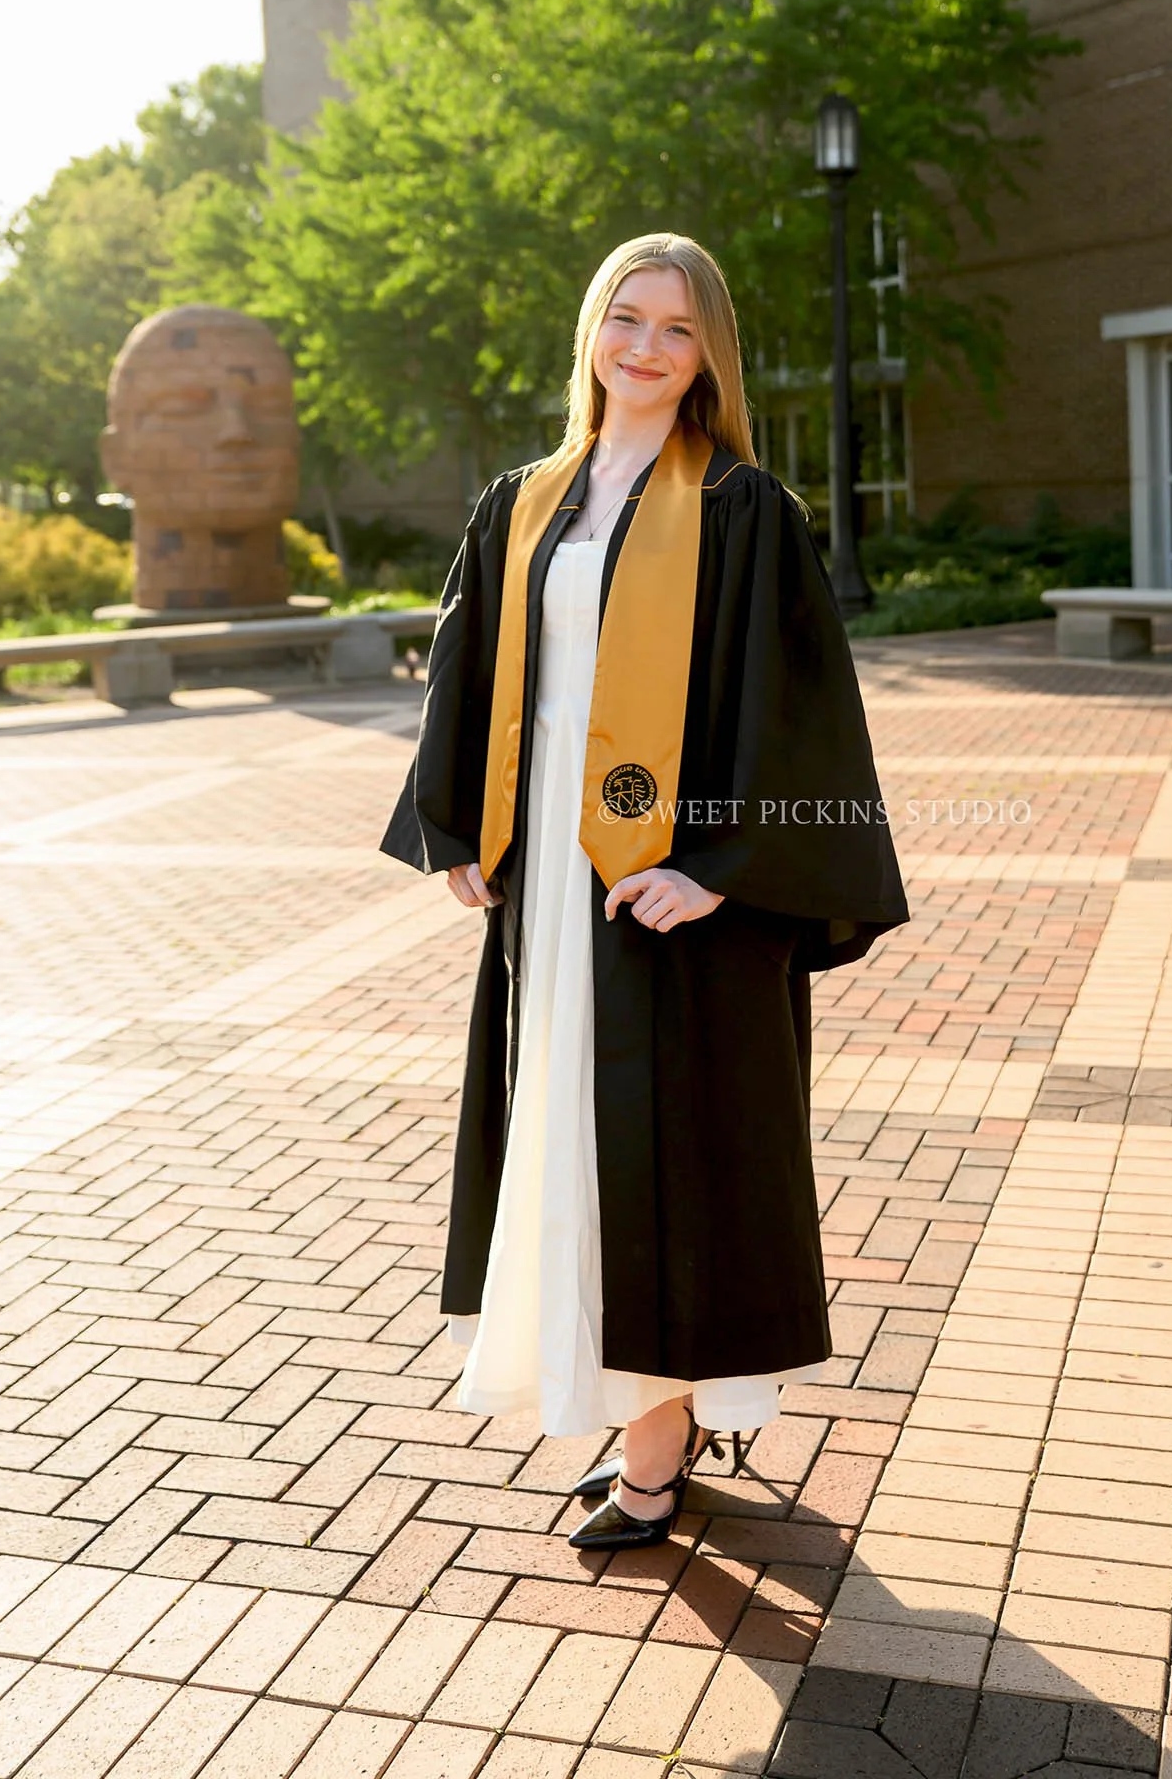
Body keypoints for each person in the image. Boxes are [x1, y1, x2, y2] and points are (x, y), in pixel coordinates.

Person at [380, 233, 908, 1550]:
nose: (648, 348)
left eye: (678, 328)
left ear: (709, 352)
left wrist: (717, 871)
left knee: (673, 1157)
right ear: (592, 334)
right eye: (627, 319)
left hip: (666, 896)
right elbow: (472, 669)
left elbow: (798, 725)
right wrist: (459, 822)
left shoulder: (741, 511)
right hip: (553, 885)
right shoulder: (524, 499)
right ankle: (622, 1405)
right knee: (575, 1139)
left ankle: (661, 1446)